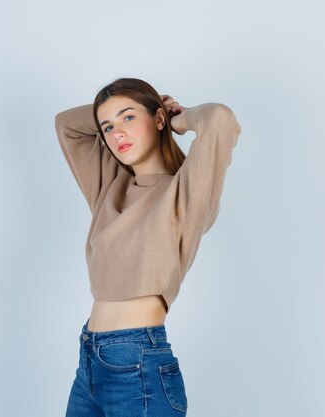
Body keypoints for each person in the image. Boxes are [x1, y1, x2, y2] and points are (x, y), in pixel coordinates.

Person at [54, 77, 242, 416]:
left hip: (138, 363)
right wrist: (125, 111)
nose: (116, 133)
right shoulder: (108, 187)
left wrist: (176, 118)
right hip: (89, 363)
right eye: (108, 126)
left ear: (157, 120)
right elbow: (66, 124)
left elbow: (219, 119)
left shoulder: (184, 194)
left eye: (128, 118)